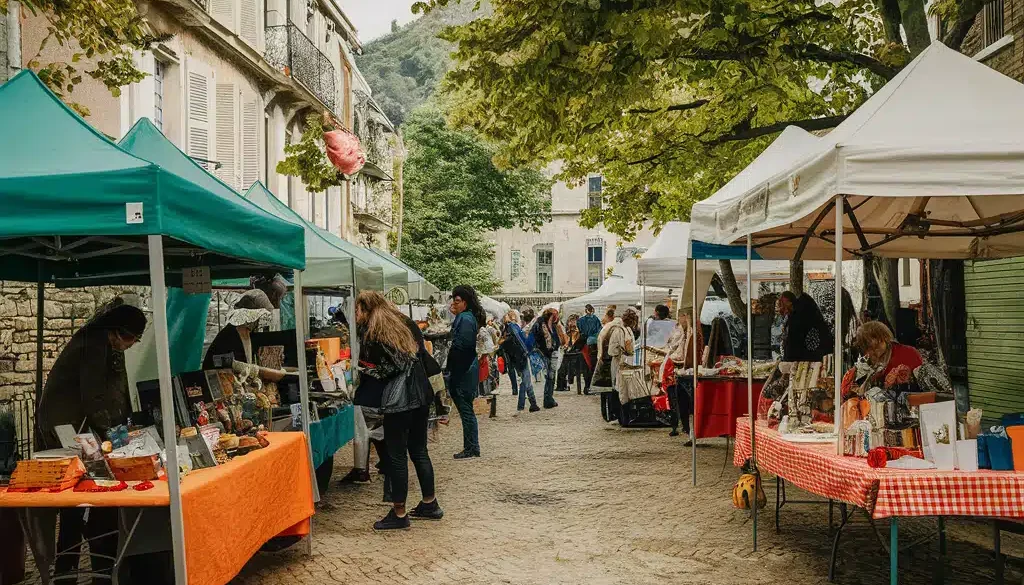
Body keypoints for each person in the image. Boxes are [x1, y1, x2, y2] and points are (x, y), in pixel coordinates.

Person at [35, 303, 147, 581]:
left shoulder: (106, 344)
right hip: (68, 430)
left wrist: (126, 426)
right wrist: (114, 435)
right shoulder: (93, 345)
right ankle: (82, 570)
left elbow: (117, 391)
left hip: (78, 429)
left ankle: (80, 568)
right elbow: (94, 397)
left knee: (83, 506)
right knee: (81, 504)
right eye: (132, 339)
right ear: (117, 332)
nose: (132, 345)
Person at [353, 291, 441, 530]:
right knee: (419, 451)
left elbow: (390, 368)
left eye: (358, 310)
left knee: (396, 456)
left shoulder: (374, 333)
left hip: (399, 401)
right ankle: (429, 503)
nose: (356, 315)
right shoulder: (405, 323)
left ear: (367, 309)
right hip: (421, 395)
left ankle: (399, 513)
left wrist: (365, 370)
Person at [202, 290, 287, 381]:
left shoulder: (249, 333)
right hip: (216, 380)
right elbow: (223, 362)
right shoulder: (230, 334)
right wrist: (258, 371)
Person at [447, 285, 486, 459]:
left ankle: (471, 447)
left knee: (466, 410)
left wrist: (454, 374)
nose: (454, 304)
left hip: (464, 370)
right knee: (466, 410)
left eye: (457, 301)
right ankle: (471, 446)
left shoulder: (465, 319)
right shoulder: (466, 317)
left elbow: (463, 348)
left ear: (465, 302)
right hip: (467, 368)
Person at [664, 310, 704, 443]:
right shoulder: (685, 332)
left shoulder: (691, 333)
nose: (679, 319)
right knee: (684, 404)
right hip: (683, 371)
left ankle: (690, 431)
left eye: (681, 316)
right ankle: (688, 430)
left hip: (687, 372)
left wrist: (671, 358)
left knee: (687, 404)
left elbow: (684, 355)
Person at [592, 309, 637, 422]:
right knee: (616, 388)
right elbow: (612, 351)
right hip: (617, 362)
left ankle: (618, 415)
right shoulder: (618, 330)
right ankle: (616, 414)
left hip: (622, 361)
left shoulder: (625, 328)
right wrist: (624, 350)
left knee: (618, 388)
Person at [855, 320, 923, 383]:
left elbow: (921, 378)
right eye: (870, 348)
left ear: (885, 338)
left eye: (877, 346)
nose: (874, 352)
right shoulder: (864, 361)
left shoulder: (908, 352)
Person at [499, 310, 539, 413]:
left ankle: (532, 404)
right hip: (520, 356)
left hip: (515, 357)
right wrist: (526, 351)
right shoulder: (512, 327)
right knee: (525, 380)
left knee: (526, 380)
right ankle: (525, 405)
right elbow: (520, 340)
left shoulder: (507, 328)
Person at [777, 291, 833, 363]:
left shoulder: (798, 315)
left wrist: (788, 359)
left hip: (806, 357)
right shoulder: (805, 309)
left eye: (783, 306)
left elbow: (794, 340)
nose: (784, 311)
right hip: (813, 354)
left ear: (789, 303)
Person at [531, 308, 568, 408]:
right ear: (551, 315)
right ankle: (547, 400)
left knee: (551, 376)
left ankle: (549, 399)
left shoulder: (553, 324)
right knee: (549, 376)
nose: (557, 317)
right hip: (544, 354)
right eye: (555, 315)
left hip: (553, 353)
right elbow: (536, 337)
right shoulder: (540, 323)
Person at [577, 304, 602, 394]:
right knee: (593, 366)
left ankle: (587, 387)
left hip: (584, 345)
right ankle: (591, 386)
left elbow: (579, 332)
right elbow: (600, 331)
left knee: (586, 367)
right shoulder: (596, 319)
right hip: (594, 345)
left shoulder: (580, 321)